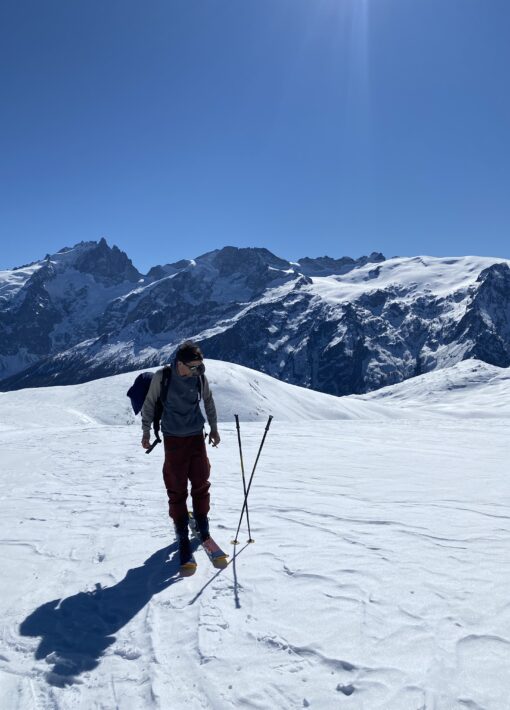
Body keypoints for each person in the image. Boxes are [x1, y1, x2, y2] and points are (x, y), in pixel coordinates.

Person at [141, 341, 220, 565]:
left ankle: (202, 523)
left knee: (201, 480)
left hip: (196, 435)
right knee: (176, 486)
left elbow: (208, 401)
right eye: (193, 367)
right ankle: (181, 529)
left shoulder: (198, 377)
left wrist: (213, 428)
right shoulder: (163, 377)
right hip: (173, 438)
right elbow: (149, 403)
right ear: (180, 363)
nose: (197, 371)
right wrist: (146, 431)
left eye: (199, 367)